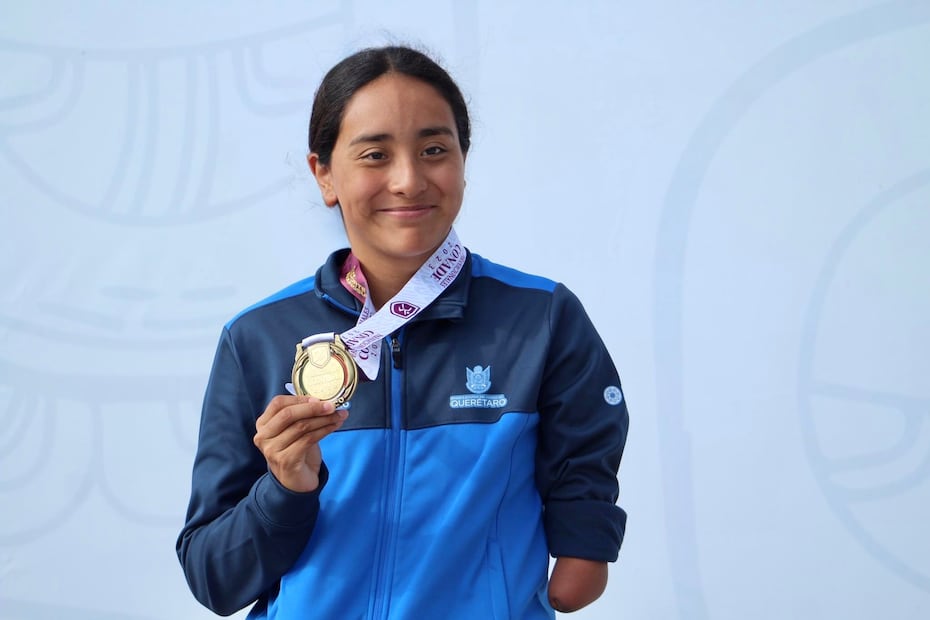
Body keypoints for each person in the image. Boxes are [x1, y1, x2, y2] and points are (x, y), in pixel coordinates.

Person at [177, 45, 628, 619]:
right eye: (374, 155)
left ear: (464, 160)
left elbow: (582, 514)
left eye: (434, 150)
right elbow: (215, 580)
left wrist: (584, 547)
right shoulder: (258, 336)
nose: (408, 180)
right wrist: (286, 488)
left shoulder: (541, 319)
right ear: (323, 174)